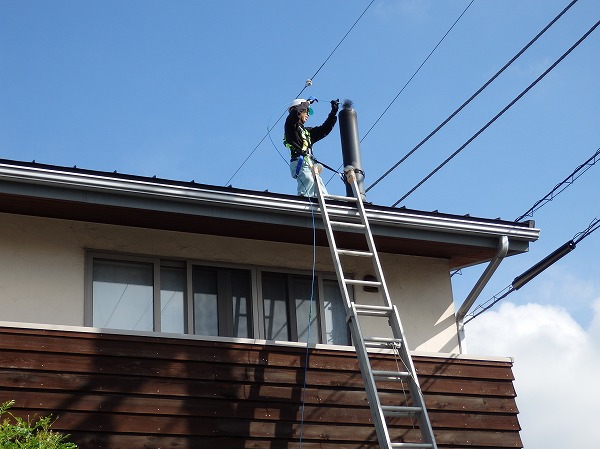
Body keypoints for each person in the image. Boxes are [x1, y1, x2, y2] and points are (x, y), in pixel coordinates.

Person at [283, 98, 339, 197]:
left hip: (310, 163)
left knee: (320, 187)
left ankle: (326, 204)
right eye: (307, 111)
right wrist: (307, 103)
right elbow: (293, 115)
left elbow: (323, 130)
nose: (308, 114)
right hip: (300, 162)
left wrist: (333, 113)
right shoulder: (291, 127)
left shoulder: (307, 132)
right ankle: (304, 204)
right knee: (307, 181)